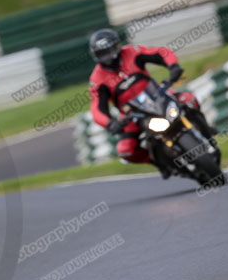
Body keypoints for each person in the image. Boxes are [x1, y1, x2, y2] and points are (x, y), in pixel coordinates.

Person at [88, 28, 215, 178]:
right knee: (125, 150)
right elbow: (97, 108)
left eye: (109, 51)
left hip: (158, 96)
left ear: (117, 46)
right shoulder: (97, 80)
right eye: (102, 53)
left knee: (190, 99)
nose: (107, 57)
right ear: (96, 55)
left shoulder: (132, 52)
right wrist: (110, 123)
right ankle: (159, 163)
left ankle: (207, 132)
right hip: (132, 114)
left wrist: (173, 66)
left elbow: (161, 52)